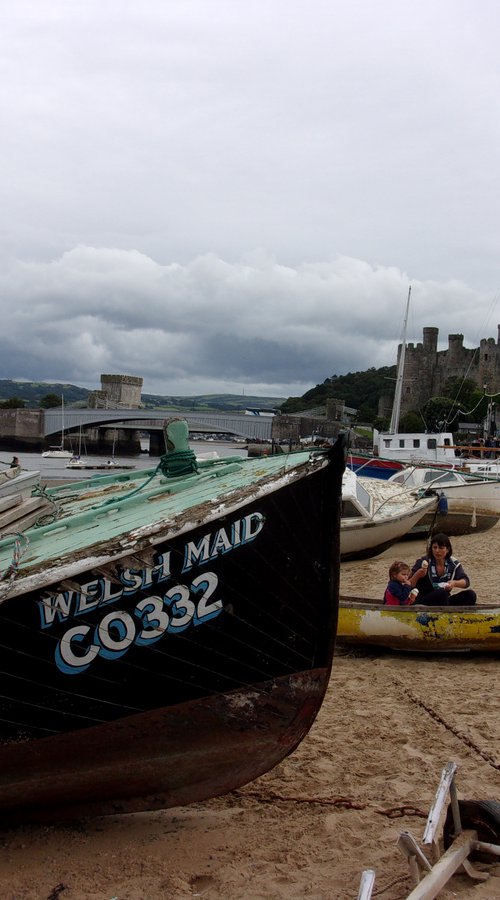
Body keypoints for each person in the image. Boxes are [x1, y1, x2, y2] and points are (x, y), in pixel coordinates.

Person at [411, 533, 476, 606]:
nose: (437, 551)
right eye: (435, 547)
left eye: (441, 548)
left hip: (444, 600)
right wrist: (417, 575)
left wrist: (453, 583)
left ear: (447, 549)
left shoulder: (453, 564)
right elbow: (408, 584)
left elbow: (466, 581)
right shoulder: (423, 562)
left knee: (470, 595)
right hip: (423, 601)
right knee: (442, 593)